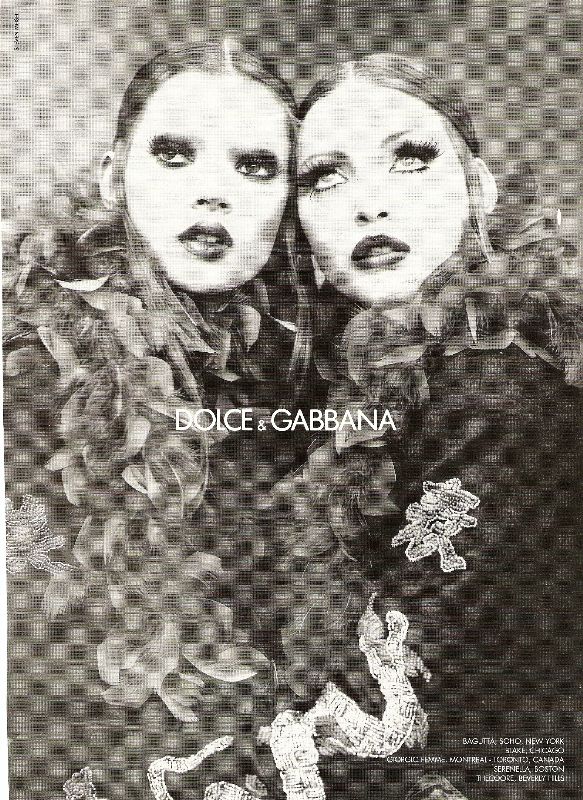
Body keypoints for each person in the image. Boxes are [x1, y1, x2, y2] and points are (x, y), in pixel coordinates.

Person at [269, 54, 582, 800]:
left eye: (409, 159)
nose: (370, 205)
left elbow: (391, 686)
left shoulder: (499, 394)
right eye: (326, 177)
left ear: (479, 190)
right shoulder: (360, 386)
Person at [4, 41, 309, 798]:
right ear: (113, 177)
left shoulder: (296, 371)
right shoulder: (24, 368)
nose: (213, 193)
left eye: (255, 167)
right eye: (174, 154)